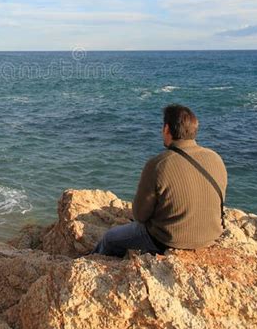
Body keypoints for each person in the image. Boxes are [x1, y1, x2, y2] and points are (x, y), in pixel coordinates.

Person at [93, 104, 227, 257]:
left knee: (110, 238)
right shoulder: (216, 158)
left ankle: (100, 265)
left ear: (167, 129)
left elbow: (140, 215)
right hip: (210, 235)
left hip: (169, 239)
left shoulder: (158, 164)